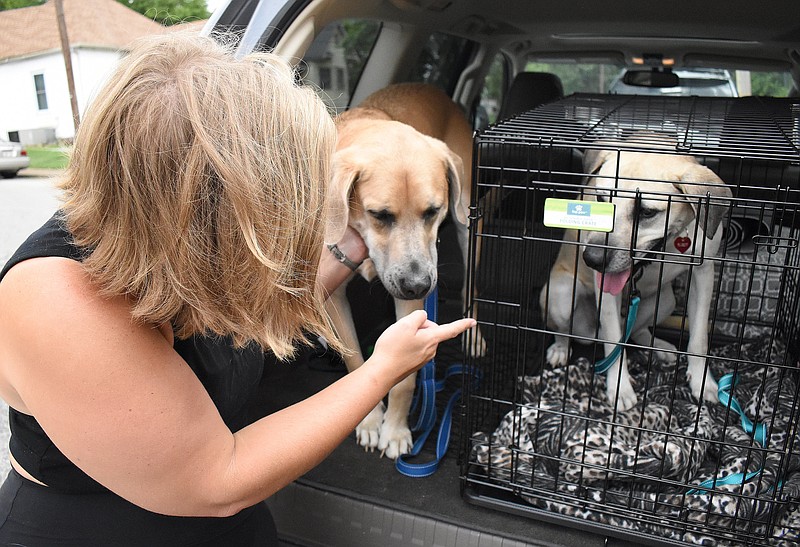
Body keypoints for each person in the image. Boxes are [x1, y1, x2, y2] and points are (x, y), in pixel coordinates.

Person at [0, 32, 475, 546]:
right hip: (96, 524)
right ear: (209, 196)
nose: (305, 209)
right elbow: (217, 479)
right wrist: (380, 371)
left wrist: (353, 249)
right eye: (290, 190)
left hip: (227, 512)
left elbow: (284, 299)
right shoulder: (56, 298)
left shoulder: (193, 243)